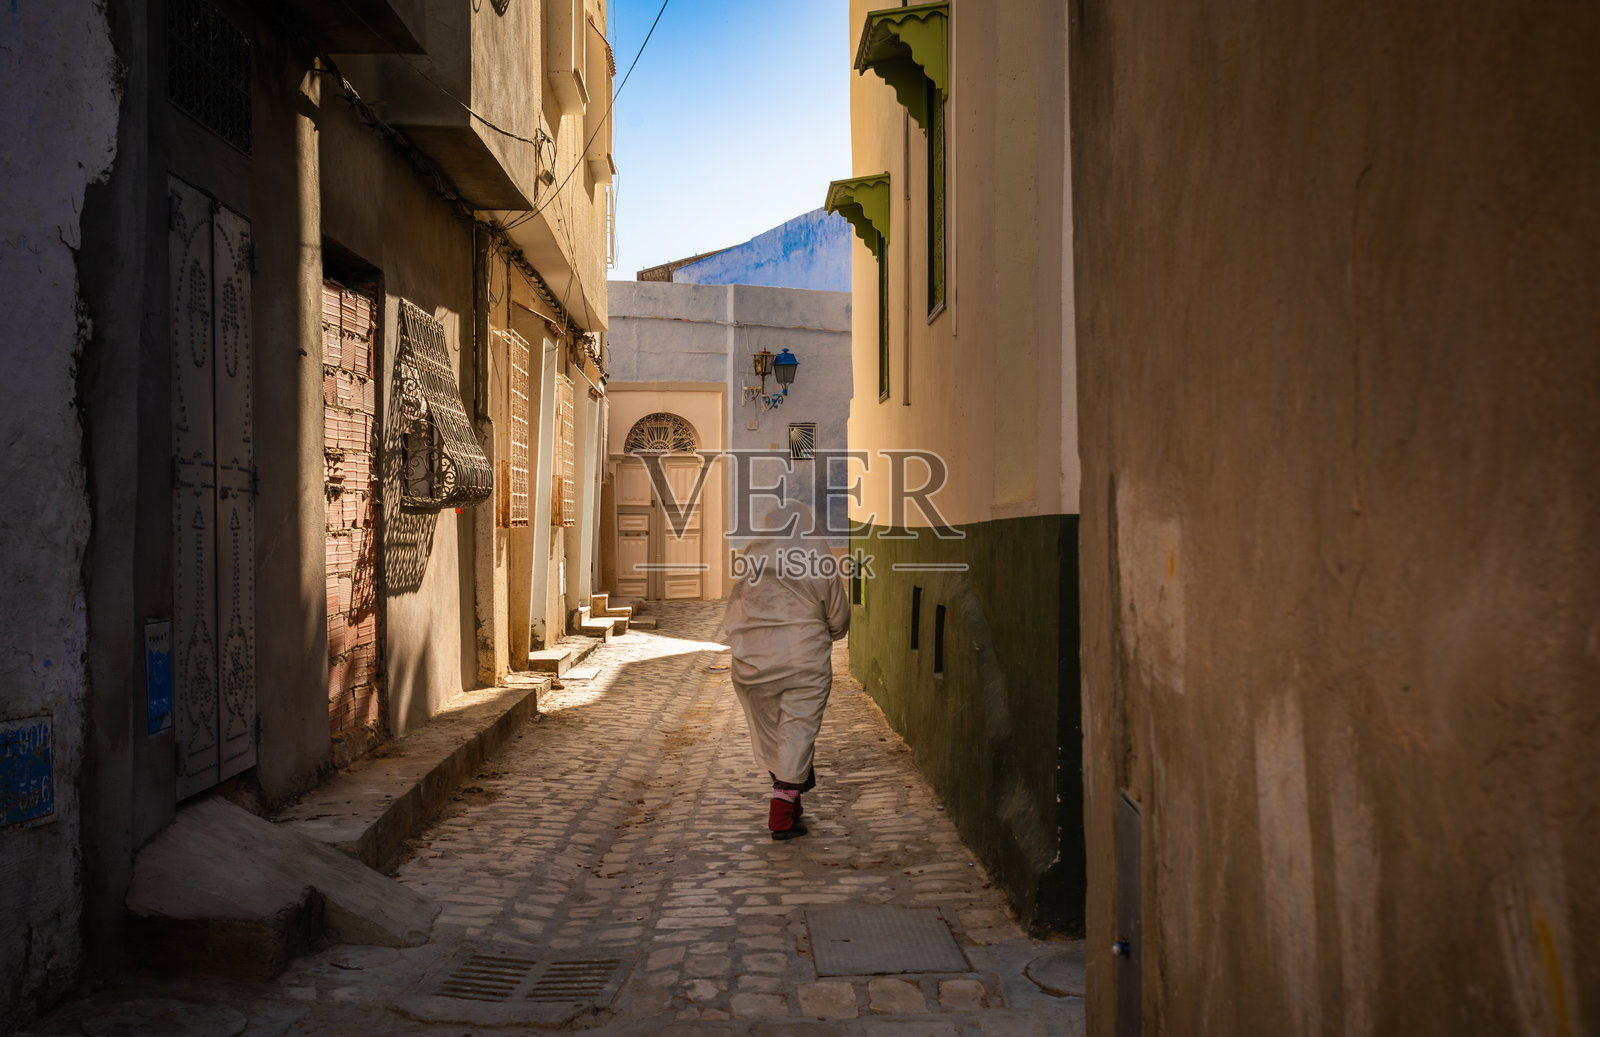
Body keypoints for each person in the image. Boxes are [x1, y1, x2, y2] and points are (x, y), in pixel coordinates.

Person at [723, 501, 850, 840]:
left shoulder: (752, 556)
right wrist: (828, 633)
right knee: (797, 732)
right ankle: (781, 816)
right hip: (804, 660)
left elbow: (736, 608)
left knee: (772, 735)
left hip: (754, 663)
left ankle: (791, 807)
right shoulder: (819, 555)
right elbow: (838, 616)